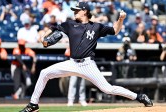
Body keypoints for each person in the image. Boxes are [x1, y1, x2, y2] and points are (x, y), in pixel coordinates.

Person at [19, 2, 153, 112]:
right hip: (71, 63)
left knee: (108, 89)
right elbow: (54, 28)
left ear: (84, 11)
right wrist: (44, 37)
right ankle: (33, 105)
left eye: (77, 10)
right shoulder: (70, 24)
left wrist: (121, 19)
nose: (74, 12)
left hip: (88, 64)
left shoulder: (96, 27)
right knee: (44, 73)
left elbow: (114, 30)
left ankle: (140, 97)